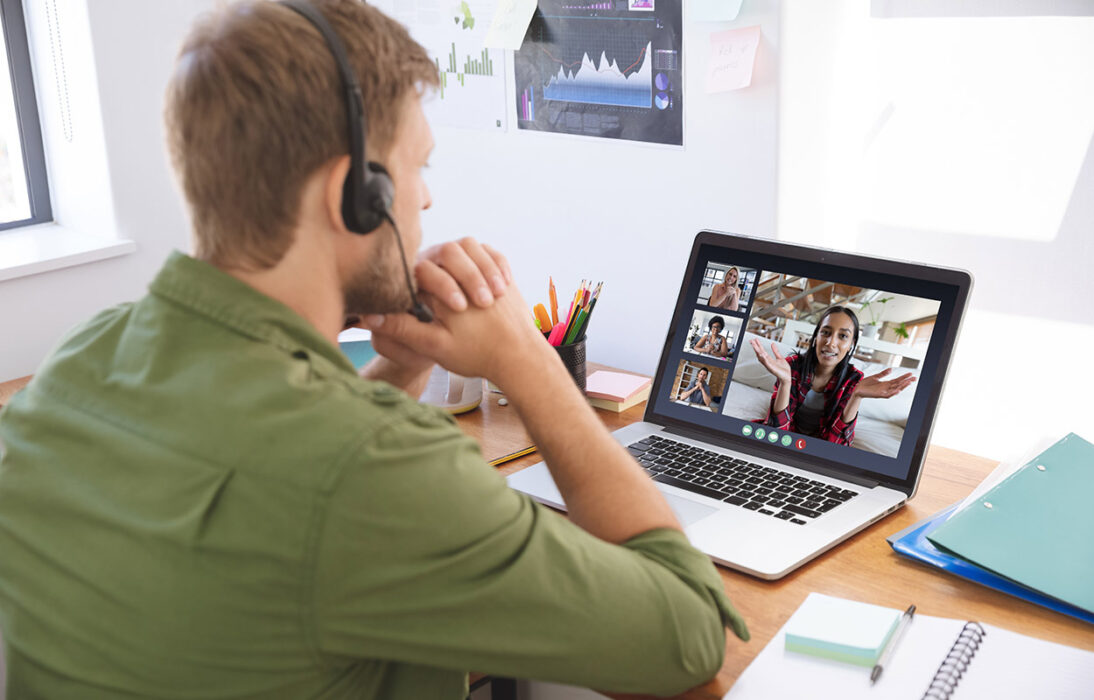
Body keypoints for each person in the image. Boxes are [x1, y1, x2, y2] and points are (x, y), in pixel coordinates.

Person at [0, 2, 748, 698]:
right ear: (356, 197)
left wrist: (407, 362)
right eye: (418, 166)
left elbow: (289, 496)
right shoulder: (376, 470)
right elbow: (689, 638)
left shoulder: (76, 365)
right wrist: (525, 358)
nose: (425, 199)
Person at [749, 305, 915, 446]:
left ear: (851, 345)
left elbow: (837, 444)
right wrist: (785, 382)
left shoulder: (854, 380)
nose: (831, 342)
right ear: (816, 337)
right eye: (826, 333)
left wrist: (857, 396)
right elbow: (775, 432)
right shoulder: (791, 366)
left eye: (843, 336)